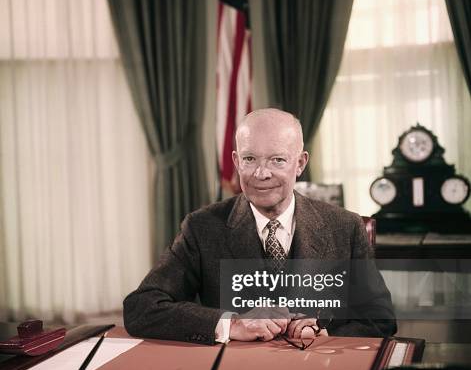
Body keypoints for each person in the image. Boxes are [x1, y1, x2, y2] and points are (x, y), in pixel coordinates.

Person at [123, 108, 396, 344]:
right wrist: (232, 324)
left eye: (277, 160)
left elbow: (379, 320)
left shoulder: (345, 227)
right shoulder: (202, 227)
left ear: (300, 163)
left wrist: (326, 332)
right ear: (235, 161)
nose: (261, 174)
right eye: (250, 159)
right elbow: (141, 308)